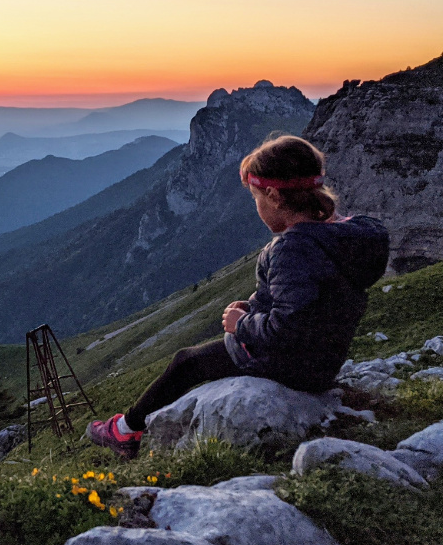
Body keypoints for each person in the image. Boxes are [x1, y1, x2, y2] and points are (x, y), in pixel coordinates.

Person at [87, 134, 389, 459]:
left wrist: (241, 323)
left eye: (255, 197)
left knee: (186, 362)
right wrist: (258, 306)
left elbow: (289, 327)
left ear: (273, 195)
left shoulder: (292, 248)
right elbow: (312, 300)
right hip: (324, 359)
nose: (256, 206)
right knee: (192, 359)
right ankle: (129, 427)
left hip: (289, 364)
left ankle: (125, 431)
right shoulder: (348, 236)